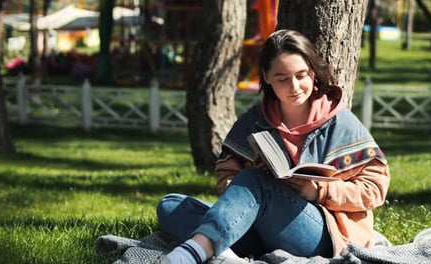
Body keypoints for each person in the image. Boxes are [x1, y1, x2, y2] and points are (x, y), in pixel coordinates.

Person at [156, 29, 390, 264]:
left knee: (254, 181)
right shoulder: (254, 121)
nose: (295, 86)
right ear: (266, 77)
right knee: (171, 206)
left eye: (302, 75)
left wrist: (318, 191)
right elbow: (227, 175)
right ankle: (225, 253)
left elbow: (375, 189)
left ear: (313, 73)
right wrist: (251, 190)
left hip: (324, 235)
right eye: (282, 78)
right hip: (260, 228)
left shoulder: (340, 122)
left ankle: (194, 252)